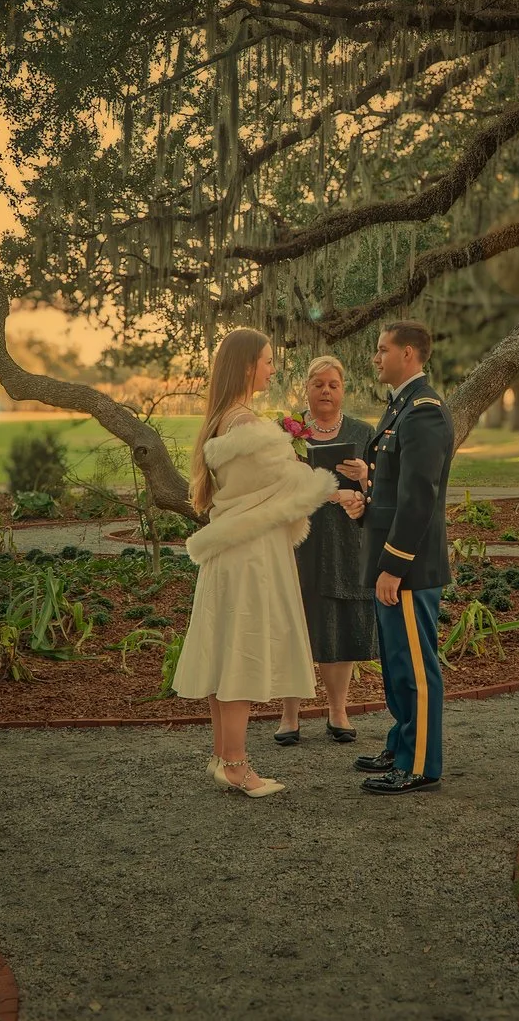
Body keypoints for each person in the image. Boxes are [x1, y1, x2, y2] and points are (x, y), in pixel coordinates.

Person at [172, 327, 364, 797]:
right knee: (240, 653)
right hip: (249, 555)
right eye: (267, 360)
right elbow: (289, 485)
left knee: (225, 652)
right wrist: (341, 492)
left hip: (232, 552)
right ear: (246, 366)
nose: (273, 368)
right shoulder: (244, 425)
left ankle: (223, 757)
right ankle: (237, 764)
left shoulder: (229, 419)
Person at [353, 318, 455, 796]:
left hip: (408, 567)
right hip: (391, 563)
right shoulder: (401, 408)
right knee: (397, 665)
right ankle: (401, 744)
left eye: (382, 349)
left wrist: (393, 566)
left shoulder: (425, 412)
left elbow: (419, 499)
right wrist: (363, 504)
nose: (376, 357)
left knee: (415, 667)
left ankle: (420, 765)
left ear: (408, 355)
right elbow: (393, 490)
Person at [275, 355, 378, 747]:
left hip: (346, 542)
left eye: (333, 385)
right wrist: (326, 491)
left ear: (343, 390)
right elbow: (272, 484)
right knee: (295, 622)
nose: (326, 392)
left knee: (340, 621)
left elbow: (381, 491)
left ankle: (338, 710)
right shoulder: (287, 431)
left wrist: (364, 480)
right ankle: (289, 715)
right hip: (298, 540)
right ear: (306, 388)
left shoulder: (362, 432)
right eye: (318, 384)